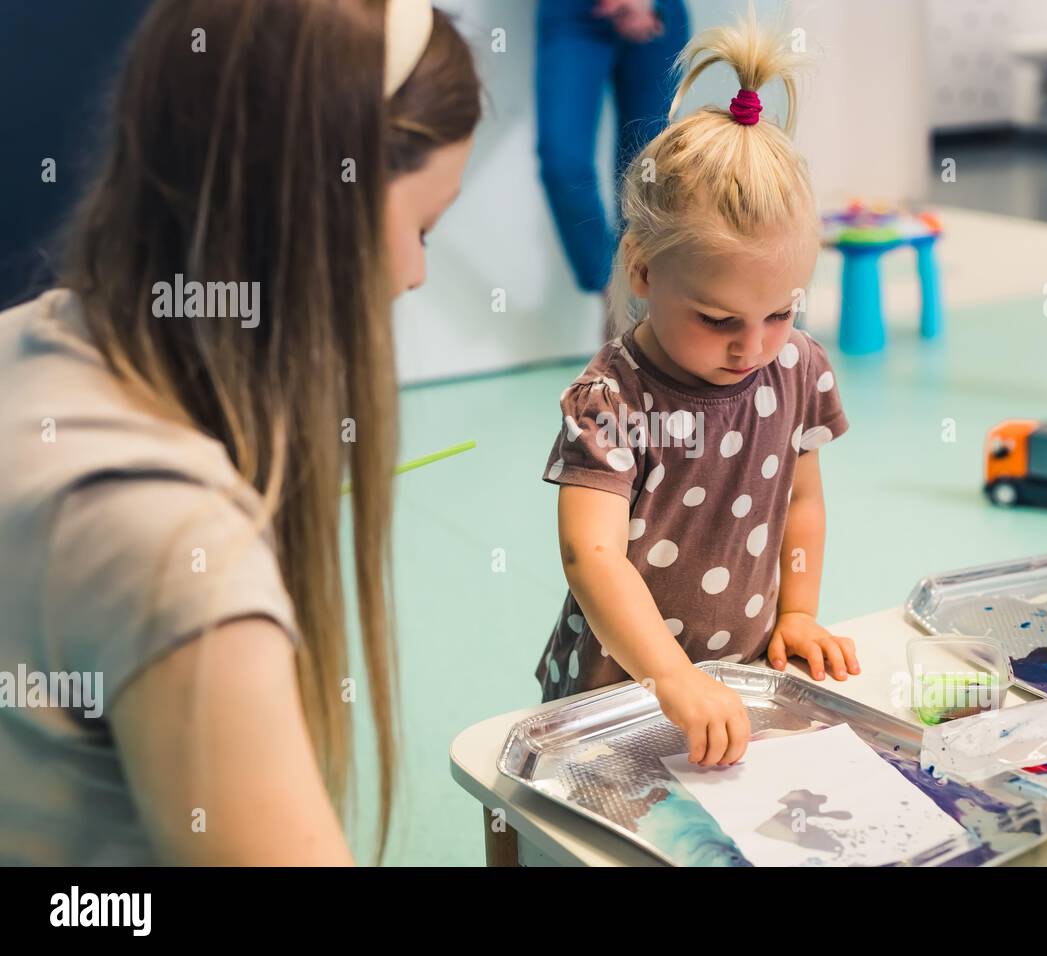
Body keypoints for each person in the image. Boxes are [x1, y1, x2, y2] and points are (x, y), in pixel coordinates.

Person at [0, 0, 481, 865]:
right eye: (419, 228)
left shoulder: (25, 339)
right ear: (308, 207)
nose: (412, 275)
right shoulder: (170, 545)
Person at [534, 8, 858, 770]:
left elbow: (802, 501)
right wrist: (670, 676)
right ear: (642, 270)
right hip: (613, 697)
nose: (752, 346)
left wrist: (799, 611)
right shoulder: (610, 399)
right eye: (718, 320)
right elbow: (592, 556)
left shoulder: (799, 367)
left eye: (781, 311)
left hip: (735, 681)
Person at [536, 0, 690, 336]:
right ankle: (615, 296)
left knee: (647, 170)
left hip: (656, 11)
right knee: (562, 162)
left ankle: (638, 305)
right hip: (574, 14)